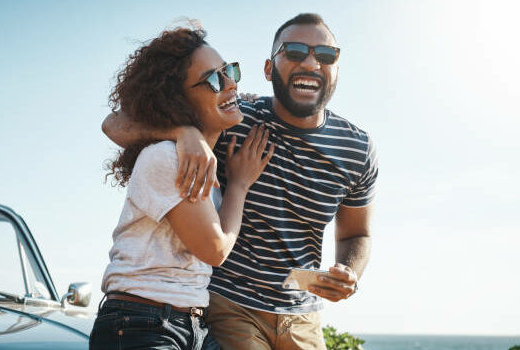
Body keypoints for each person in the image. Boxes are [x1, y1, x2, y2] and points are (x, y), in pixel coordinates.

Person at [102, 13, 378, 350]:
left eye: (325, 55)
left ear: (336, 68)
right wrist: (183, 132)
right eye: (293, 52)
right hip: (227, 305)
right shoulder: (234, 116)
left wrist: (350, 273)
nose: (310, 63)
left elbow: (357, 233)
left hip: (302, 313)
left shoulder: (357, 149)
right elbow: (116, 124)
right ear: (268, 68)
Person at [91, 26, 274, 350]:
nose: (231, 83)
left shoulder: (197, 156)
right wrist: (240, 185)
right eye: (214, 80)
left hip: (185, 325)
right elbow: (215, 249)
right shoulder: (167, 157)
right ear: (179, 99)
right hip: (141, 324)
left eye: (230, 71)